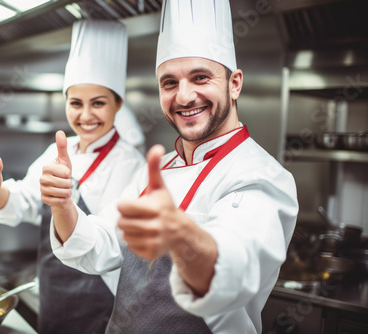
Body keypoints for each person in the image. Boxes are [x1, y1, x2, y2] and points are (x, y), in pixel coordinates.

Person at [40, 1, 299, 333]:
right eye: (169, 83)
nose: (184, 96)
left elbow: (236, 267)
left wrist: (180, 235)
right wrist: (62, 205)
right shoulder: (158, 170)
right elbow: (100, 245)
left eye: (200, 77)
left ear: (234, 83)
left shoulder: (261, 177)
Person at [0, 20, 145, 334]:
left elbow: (111, 246)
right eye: (76, 103)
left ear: (118, 104)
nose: (85, 115)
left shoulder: (131, 165)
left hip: (102, 298)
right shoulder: (58, 150)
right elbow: (25, 199)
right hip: (54, 294)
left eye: (98, 103)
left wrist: (64, 204)